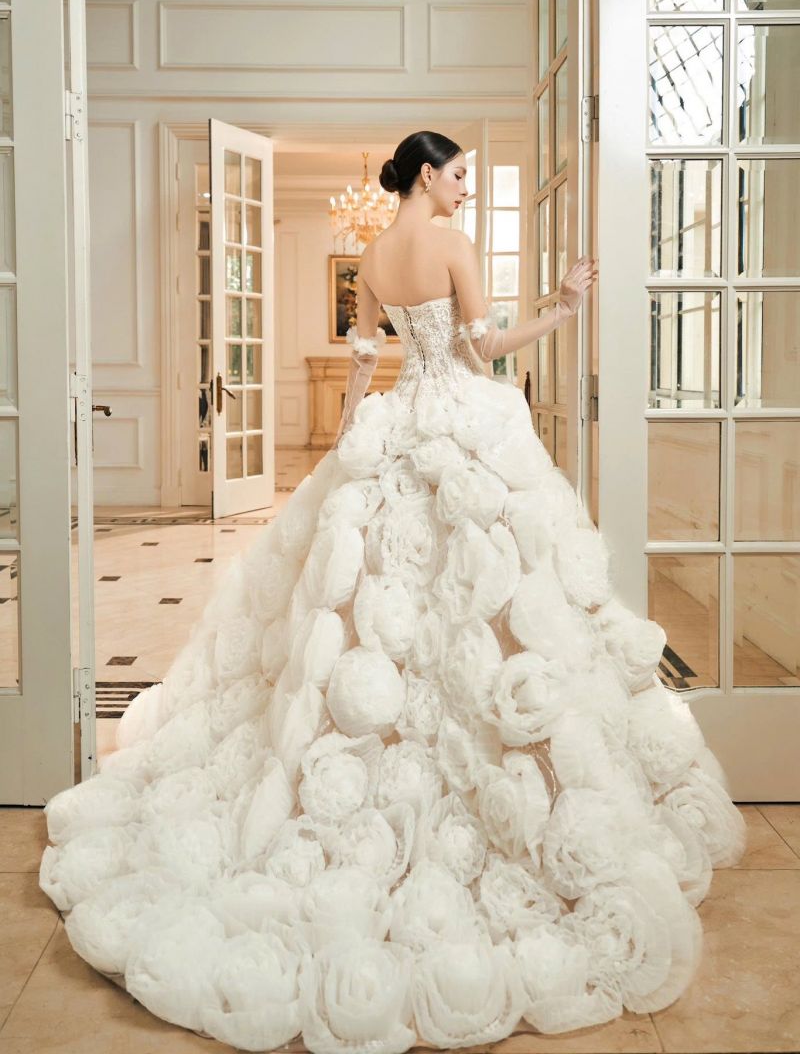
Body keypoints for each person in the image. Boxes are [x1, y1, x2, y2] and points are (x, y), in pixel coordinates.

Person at [39, 130, 746, 1054]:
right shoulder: (451, 245)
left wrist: (347, 444)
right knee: (483, 594)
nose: (465, 190)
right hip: (460, 424)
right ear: (427, 175)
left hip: (395, 429)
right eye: (458, 176)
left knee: (371, 603)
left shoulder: (372, 257)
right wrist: (563, 310)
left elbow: (368, 360)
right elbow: (485, 353)